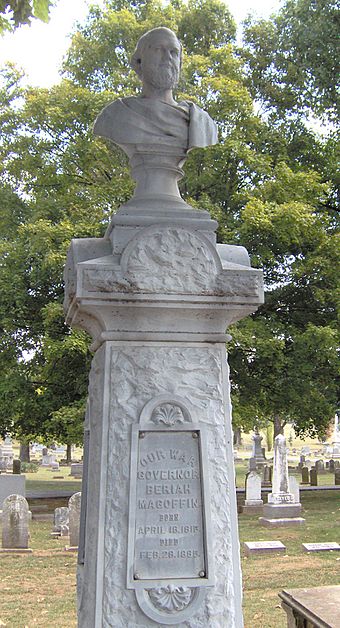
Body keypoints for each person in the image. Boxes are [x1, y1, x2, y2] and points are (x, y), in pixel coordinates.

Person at [93, 27, 217, 154]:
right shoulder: (116, 115)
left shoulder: (201, 122)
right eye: (158, 49)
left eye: (174, 52)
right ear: (139, 62)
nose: (168, 57)